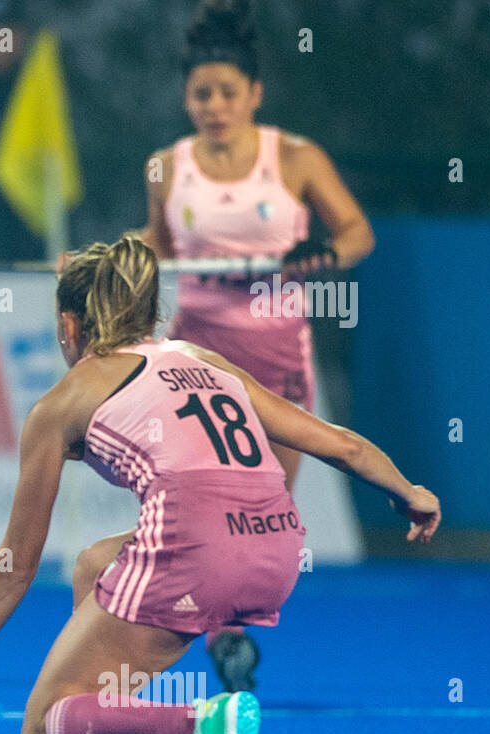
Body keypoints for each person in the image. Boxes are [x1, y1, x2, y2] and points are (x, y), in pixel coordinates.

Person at [0, 235, 438, 734]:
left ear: (68, 324)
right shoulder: (201, 358)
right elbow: (343, 444)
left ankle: (196, 726)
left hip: (195, 553)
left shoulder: (62, 402)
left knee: (41, 728)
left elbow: (15, 566)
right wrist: (408, 491)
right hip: (279, 544)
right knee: (96, 565)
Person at [137, 0, 376, 690]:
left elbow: (358, 233)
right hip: (197, 359)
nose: (213, 106)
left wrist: (318, 256)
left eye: (227, 93)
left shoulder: (295, 158)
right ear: (186, 97)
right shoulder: (165, 167)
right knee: (199, 493)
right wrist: (99, 261)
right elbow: (153, 248)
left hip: (277, 360)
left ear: (254, 95)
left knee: (264, 505)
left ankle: (230, 620)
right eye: (200, 94)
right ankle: (225, 634)